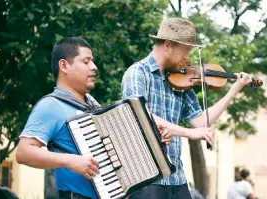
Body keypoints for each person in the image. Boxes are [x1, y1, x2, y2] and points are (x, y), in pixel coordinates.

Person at [16, 37, 170, 199]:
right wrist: (70, 161)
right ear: (64, 66)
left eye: (93, 61)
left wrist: (153, 137)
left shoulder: (94, 105)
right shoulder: (51, 106)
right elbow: (24, 152)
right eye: (86, 61)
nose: (94, 67)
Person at [121, 17, 253, 199]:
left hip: (177, 178)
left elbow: (200, 122)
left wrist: (233, 91)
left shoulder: (180, 81)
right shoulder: (138, 73)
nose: (188, 58)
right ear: (168, 45)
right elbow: (141, 117)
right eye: (186, 51)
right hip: (147, 178)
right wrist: (189, 133)